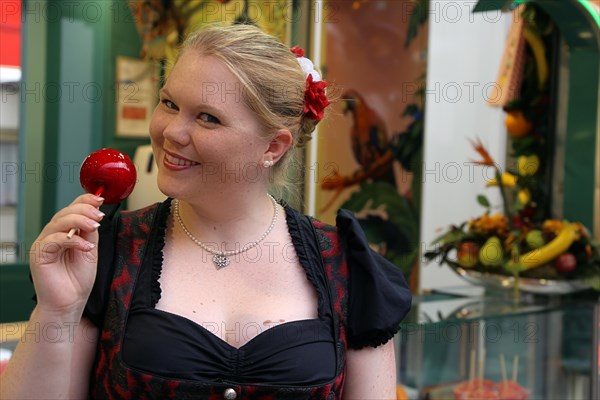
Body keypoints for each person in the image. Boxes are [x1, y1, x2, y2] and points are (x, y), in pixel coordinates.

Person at [0, 24, 411, 399]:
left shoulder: (346, 266)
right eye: (169, 103)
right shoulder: (108, 250)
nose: (171, 132)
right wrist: (57, 311)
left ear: (273, 147)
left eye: (208, 118)